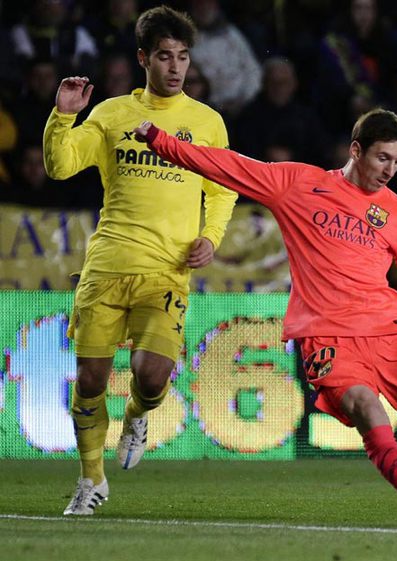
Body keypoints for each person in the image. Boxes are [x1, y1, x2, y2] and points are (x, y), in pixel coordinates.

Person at [131, 108, 397, 518]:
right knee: (366, 409)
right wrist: (162, 141)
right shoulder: (299, 185)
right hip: (329, 338)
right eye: (382, 158)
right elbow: (229, 166)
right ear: (356, 150)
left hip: (392, 334)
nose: (391, 170)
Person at [43, 6, 238, 516]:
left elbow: (222, 191)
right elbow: (60, 166)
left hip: (166, 272)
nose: (175, 67)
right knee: (89, 381)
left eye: (182, 56)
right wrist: (63, 114)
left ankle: (137, 416)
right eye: (164, 56)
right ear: (143, 59)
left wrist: (211, 238)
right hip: (107, 266)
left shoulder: (206, 123)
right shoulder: (111, 114)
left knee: (151, 376)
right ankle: (91, 481)